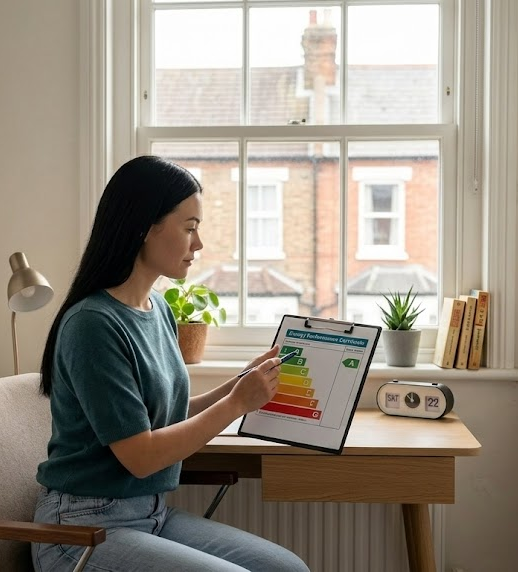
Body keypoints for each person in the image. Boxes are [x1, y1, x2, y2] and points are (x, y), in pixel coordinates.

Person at [32, 156, 310, 572]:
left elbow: (165, 418)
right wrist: (236, 404)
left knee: (288, 569)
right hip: (80, 531)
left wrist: (241, 386)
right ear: (145, 227)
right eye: (190, 228)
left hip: (151, 515)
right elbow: (141, 456)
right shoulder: (92, 325)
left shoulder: (156, 308)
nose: (198, 244)